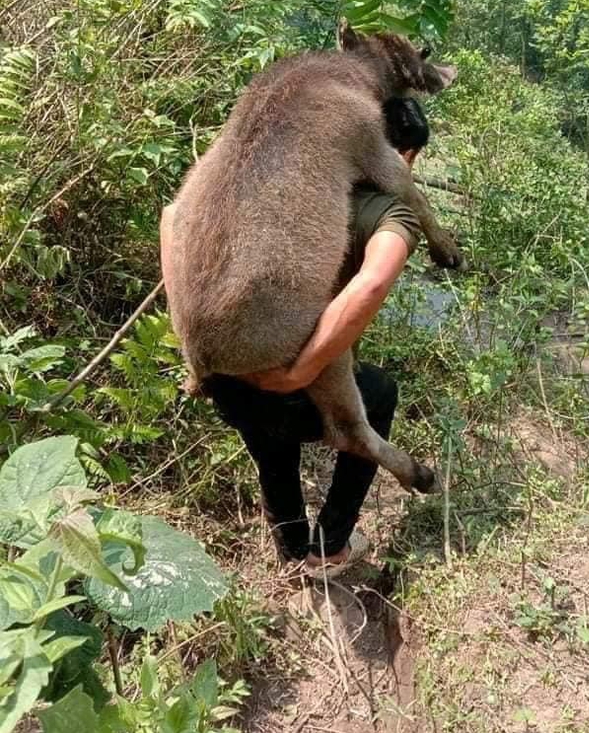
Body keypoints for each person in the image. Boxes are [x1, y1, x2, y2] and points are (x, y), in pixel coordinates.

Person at [160, 98, 430, 577]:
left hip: (224, 380)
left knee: (271, 448)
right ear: (401, 156)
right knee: (379, 396)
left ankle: (290, 549)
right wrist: (302, 370)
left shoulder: (275, 183)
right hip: (286, 384)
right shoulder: (390, 211)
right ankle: (329, 549)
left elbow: (172, 217)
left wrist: (190, 348)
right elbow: (371, 283)